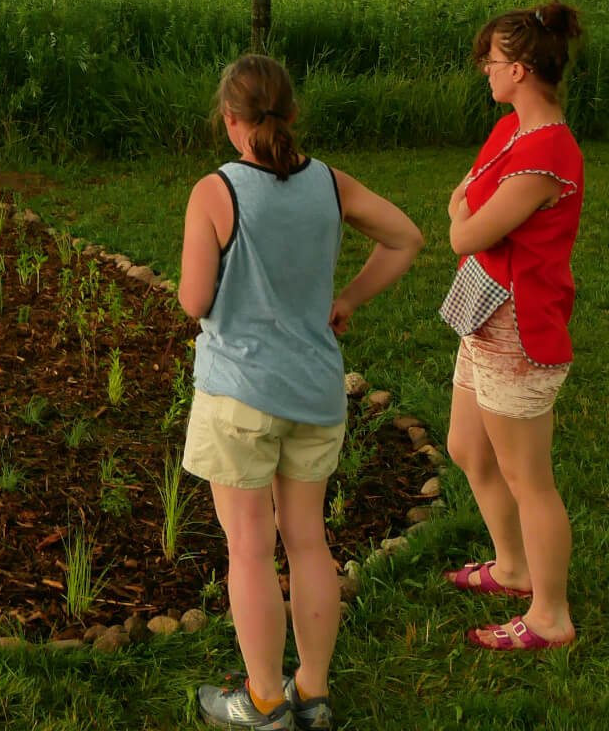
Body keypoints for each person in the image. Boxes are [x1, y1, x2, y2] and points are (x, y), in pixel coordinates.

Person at [180, 54, 423, 731]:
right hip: (316, 392)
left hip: (239, 397)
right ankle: (311, 695)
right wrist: (346, 298)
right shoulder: (330, 183)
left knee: (250, 549)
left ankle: (262, 704)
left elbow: (195, 298)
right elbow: (406, 238)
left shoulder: (216, 192)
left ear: (231, 120)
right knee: (309, 542)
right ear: (291, 114)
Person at [440, 1, 583, 651]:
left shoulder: (546, 154)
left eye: (491, 62)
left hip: (522, 332)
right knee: (467, 450)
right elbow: (461, 205)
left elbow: (465, 228)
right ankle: (514, 566)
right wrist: (464, 218)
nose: (485, 70)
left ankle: (551, 615)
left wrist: (464, 220)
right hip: (483, 316)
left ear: (520, 69)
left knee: (531, 480)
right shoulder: (509, 133)